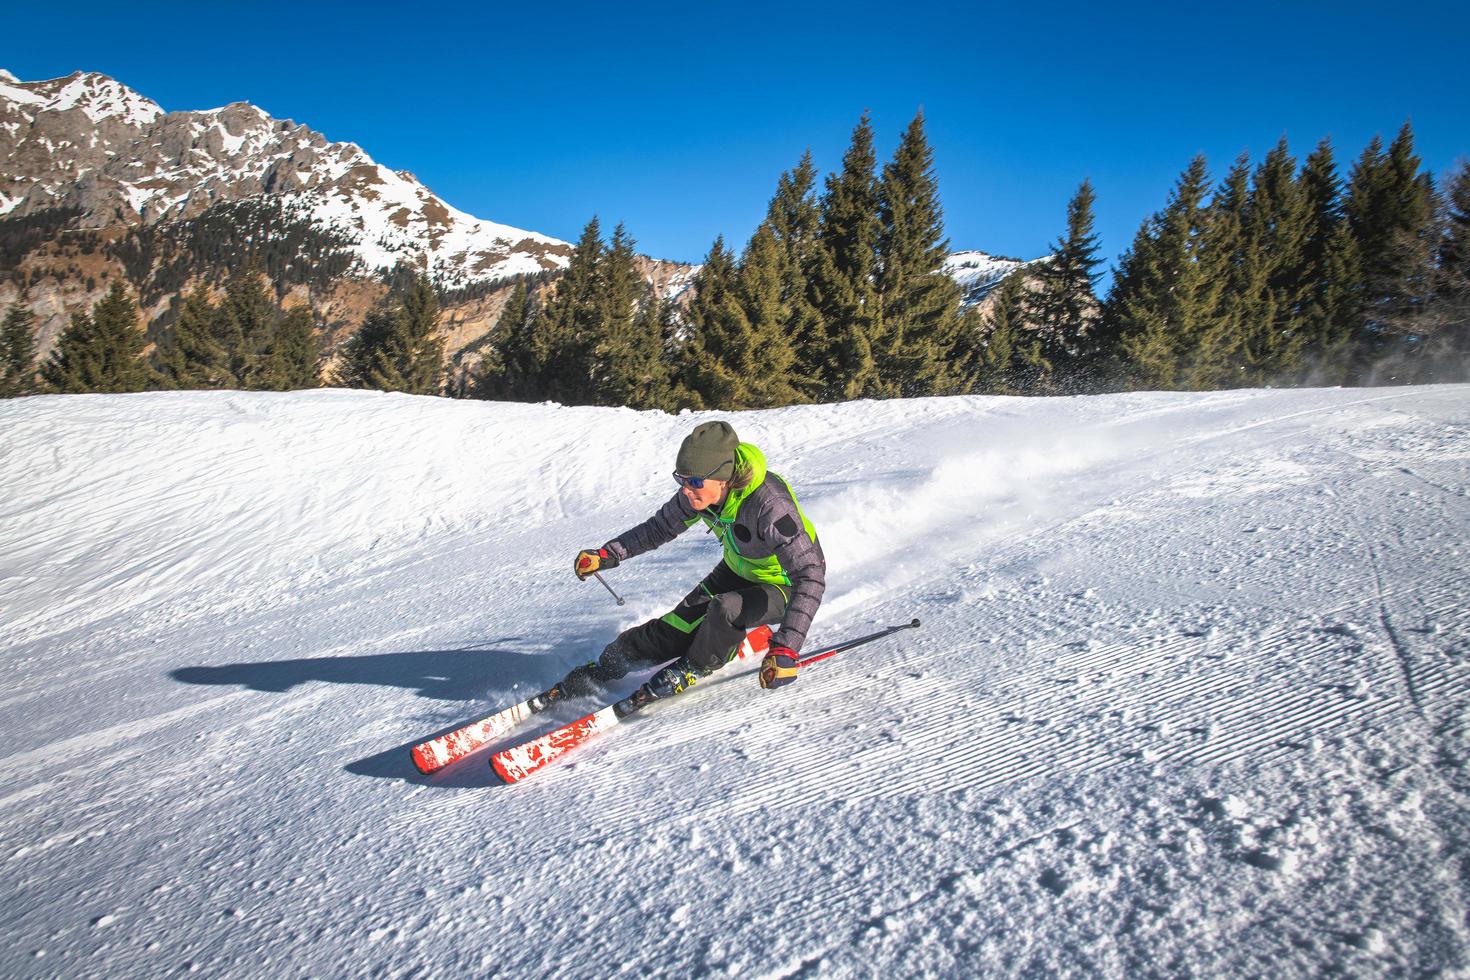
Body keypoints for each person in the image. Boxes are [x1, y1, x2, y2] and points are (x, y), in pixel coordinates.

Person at [537, 420, 825, 709]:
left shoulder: (769, 505)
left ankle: (695, 666)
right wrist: (607, 554)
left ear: (722, 478)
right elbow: (658, 529)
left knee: (726, 609)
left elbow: (809, 575)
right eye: (682, 480)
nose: (686, 490)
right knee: (672, 631)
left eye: (695, 482)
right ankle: (609, 665)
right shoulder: (699, 494)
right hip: (738, 570)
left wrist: (787, 646)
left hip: (784, 586)